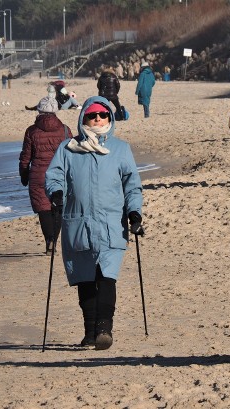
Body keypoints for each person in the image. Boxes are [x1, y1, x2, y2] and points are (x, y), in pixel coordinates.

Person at [45, 96, 144, 350]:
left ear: (110, 119)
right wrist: (56, 193)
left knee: (107, 276)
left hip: (112, 224)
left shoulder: (121, 149)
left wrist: (134, 212)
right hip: (77, 223)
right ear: (83, 119)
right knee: (85, 279)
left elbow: (131, 185)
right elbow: (55, 175)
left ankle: (104, 329)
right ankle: (90, 332)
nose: (98, 119)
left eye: (103, 115)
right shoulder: (67, 149)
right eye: (92, 115)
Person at [19, 96, 73, 254]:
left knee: (43, 208)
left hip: (38, 175)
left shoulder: (32, 131)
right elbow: (71, 153)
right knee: (58, 207)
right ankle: (54, 239)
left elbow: (25, 156)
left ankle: (49, 240)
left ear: (39, 111)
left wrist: (24, 174)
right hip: (60, 174)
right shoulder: (65, 129)